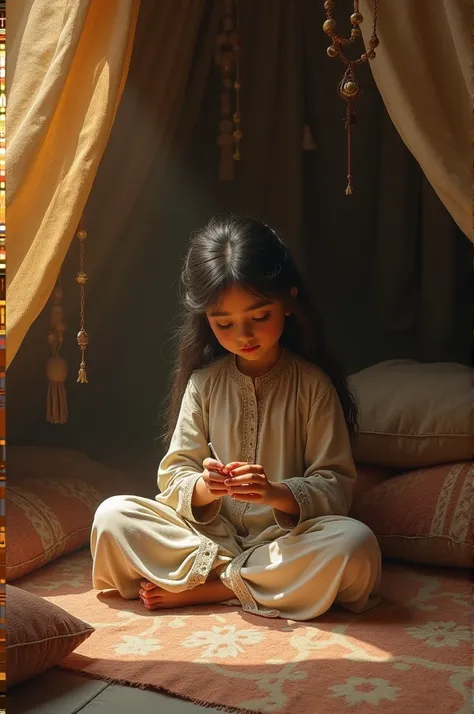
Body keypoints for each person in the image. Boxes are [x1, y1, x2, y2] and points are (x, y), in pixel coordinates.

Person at [91, 215, 381, 621]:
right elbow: (174, 475)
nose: (244, 334)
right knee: (112, 517)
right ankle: (247, 582)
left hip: (284, 541)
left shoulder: (314, 386)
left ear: (289, 302)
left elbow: (336, 487)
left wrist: (274, 492)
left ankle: (215, 589)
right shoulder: (203, 383)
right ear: (206, 319)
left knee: (355, 546)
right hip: (208, 539)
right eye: (224, 323)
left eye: (259, 316)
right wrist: (206, 487)